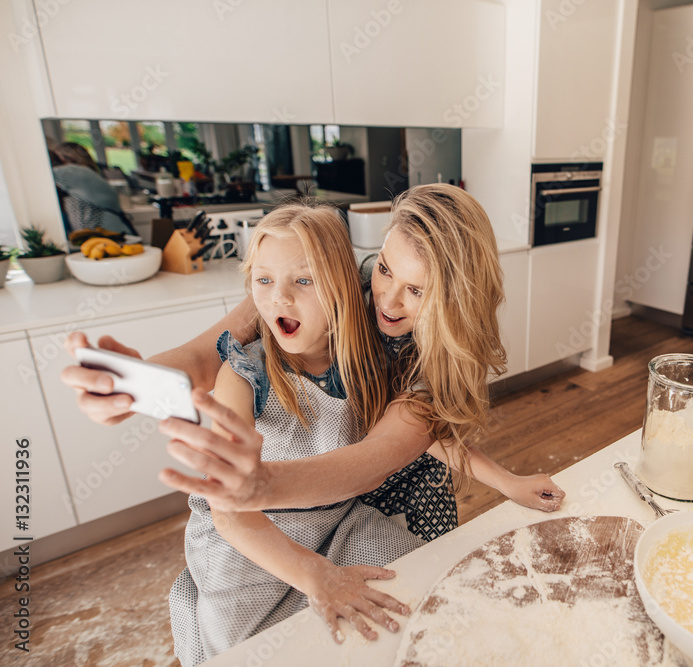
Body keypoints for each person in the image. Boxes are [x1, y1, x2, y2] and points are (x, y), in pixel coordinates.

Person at [61, 185, 564, 644]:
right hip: (283, 522)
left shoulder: (420, 364)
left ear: (455, 301)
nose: (386, 299)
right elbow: (205, 356)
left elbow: (378, 456)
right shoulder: (312, 299)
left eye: (417, 290)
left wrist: (503, 480)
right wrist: (129, 383)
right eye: (385, 269)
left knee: (408, 609)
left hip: (362, 492)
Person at [170, 204, 425, 665]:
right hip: (244, 542)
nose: (279, 300)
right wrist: (316, 576)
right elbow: (229, 516)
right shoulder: (242, 374)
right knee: (244, 650)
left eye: (302, 281)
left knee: (412, 582)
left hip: (336, 521)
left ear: (344, 289)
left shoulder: (366, 358)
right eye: (263, 280)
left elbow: (428, 429)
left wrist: (505, 480)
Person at [49, 144, 137, 235]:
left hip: (110, 235)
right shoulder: (78, 179)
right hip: (99, 235)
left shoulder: (74, 172)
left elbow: (43, 174)